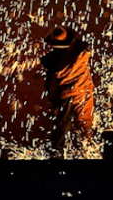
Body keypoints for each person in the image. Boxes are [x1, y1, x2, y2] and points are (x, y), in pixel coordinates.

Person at [40, 24, 95, 158]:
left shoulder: (54, 62)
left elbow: (51, 86)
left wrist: (53, 103)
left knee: (60, 132)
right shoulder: (81, 53)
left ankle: (57, 160)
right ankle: (85, 157)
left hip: (66, 99)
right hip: (84, 95)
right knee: (84, 130)